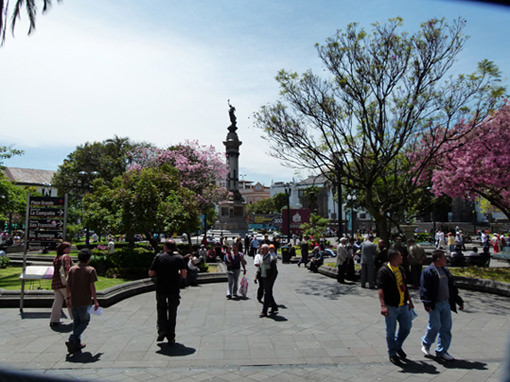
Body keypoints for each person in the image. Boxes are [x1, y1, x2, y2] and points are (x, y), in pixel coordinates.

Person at [420, 250, 464, 361]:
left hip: (445, 303)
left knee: (446, 327)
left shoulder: (445, 271)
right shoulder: (429, 271)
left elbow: (452, 287)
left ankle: (442, 351)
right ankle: (426, 343)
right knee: (435, 326)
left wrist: (458, 300)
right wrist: (426, 303)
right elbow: (424, 288)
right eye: (444, 258)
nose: (446, 260)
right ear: (438, 259)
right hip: (434, 304)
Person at [377, 249, 414, 365]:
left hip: (403, 304)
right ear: (393, 258)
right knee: (391, 331)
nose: (402, 258)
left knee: (407, 327)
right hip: (391, 306)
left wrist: (410, 301)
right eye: (400, 256)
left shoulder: (401, 269)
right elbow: (380, 289)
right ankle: (392, 353)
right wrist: (383, 305)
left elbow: (404, 286)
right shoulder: (384, 271)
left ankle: (397, 345)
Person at [148, 239, 187, 344]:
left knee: (161, 309)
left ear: (165, 247)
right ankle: (171, 336)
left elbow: (151, 273)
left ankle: (162, 329)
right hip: (174, 288)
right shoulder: (179, 258)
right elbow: (184, 274)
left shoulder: (159, 257)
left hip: (161, 288)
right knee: (173, 312)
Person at [65, 248, 99, 354]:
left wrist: (68, 298)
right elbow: (92, 287)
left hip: (74, 300)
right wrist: (95, 300)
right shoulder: (90, 270)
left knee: (77, 322)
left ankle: (76, 343)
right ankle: (72, 338)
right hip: (85, 300)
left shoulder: (72, 270)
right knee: (85, 321)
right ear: (88, 259)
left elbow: (68, 285)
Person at [50, 242, 73, 328]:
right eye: (68, 248)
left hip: (56, 282)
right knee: (70, 300)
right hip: (64, 283)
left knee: (57, 302)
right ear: (64, 249)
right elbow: (68, 269)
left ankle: (54, 320)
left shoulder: (56, 258)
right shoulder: (66, 257)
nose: (70, 250)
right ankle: (75, 318)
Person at [259, 244, 279, 317]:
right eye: (261, 249)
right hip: (263, 277)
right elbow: (260, 268)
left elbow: (275, 271)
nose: (261, 250)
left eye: (263, 249)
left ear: (267, 251)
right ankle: (274, 307)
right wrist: (256, 276)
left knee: (266, 293)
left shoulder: (271, 259)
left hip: (269, 278)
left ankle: (264, 311)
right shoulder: (261, 258)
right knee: (269, 292)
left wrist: (270, 280)